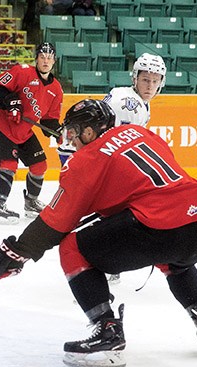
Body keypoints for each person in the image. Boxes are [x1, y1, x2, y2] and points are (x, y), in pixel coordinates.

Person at [0, 99, 197, 367]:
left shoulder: (85, 159)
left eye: (74, 132)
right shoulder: (140, 132)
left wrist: (18, 251)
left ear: (89, 131)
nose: (71, 140)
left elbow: (57, 221)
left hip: (160, 229)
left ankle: (107, 329)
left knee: (73, 247)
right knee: (171, 253)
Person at [57, 52, 167, 285]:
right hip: (97, 163)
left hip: (94, 162)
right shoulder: (130, 102)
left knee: (112, 214)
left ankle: (102, 262)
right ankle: (99, 264)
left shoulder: (132, 99)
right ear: (135, 78)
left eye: (155, 80)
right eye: (145, 79)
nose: (150, 85)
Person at [0, 42, 63, 224]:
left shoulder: (56, 90)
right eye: (42, 57)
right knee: (9, 164)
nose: (45, 61)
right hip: (3, 126)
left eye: (49, 58)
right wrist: (11, 102)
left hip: (24, 131)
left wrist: (57, 130)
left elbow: (48, 120)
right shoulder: (22, 72)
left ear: (54, 61)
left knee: (40, 166)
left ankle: (31, 203)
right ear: (36, 58)